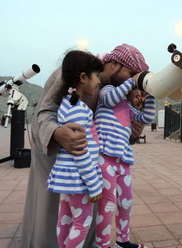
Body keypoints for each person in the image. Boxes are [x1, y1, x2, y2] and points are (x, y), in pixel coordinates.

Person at [21, 43, 149, 248]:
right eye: (131, 73)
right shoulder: (74, 73)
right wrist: (57, 132)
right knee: (51, 211)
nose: (132, 80)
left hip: (85, 160)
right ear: (115, 65)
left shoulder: (115, 90)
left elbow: (118, 130)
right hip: (55, 152)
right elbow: (45, 112)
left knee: (84, 214)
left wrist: (134, 127)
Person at [46, 50, 104, 248]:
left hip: (67, 179)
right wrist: (94, 185)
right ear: (83, 77)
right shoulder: (77, 110)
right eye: (96, 75)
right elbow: (80, 153)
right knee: (81, 223)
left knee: (65, 220)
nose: (98, 81)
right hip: (78, 180)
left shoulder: (67, 105)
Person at [94, 70, 155, 248]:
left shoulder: (128, 107)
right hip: (105, 158)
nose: (139, 95)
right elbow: (109, 99)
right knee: (107, 205)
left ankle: (123, 240)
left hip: (123, 161)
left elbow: (147, 117)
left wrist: (151, 95)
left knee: (126, 201)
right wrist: (132, 81)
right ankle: (103, 244)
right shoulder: (107, 91)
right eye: (138, 92)